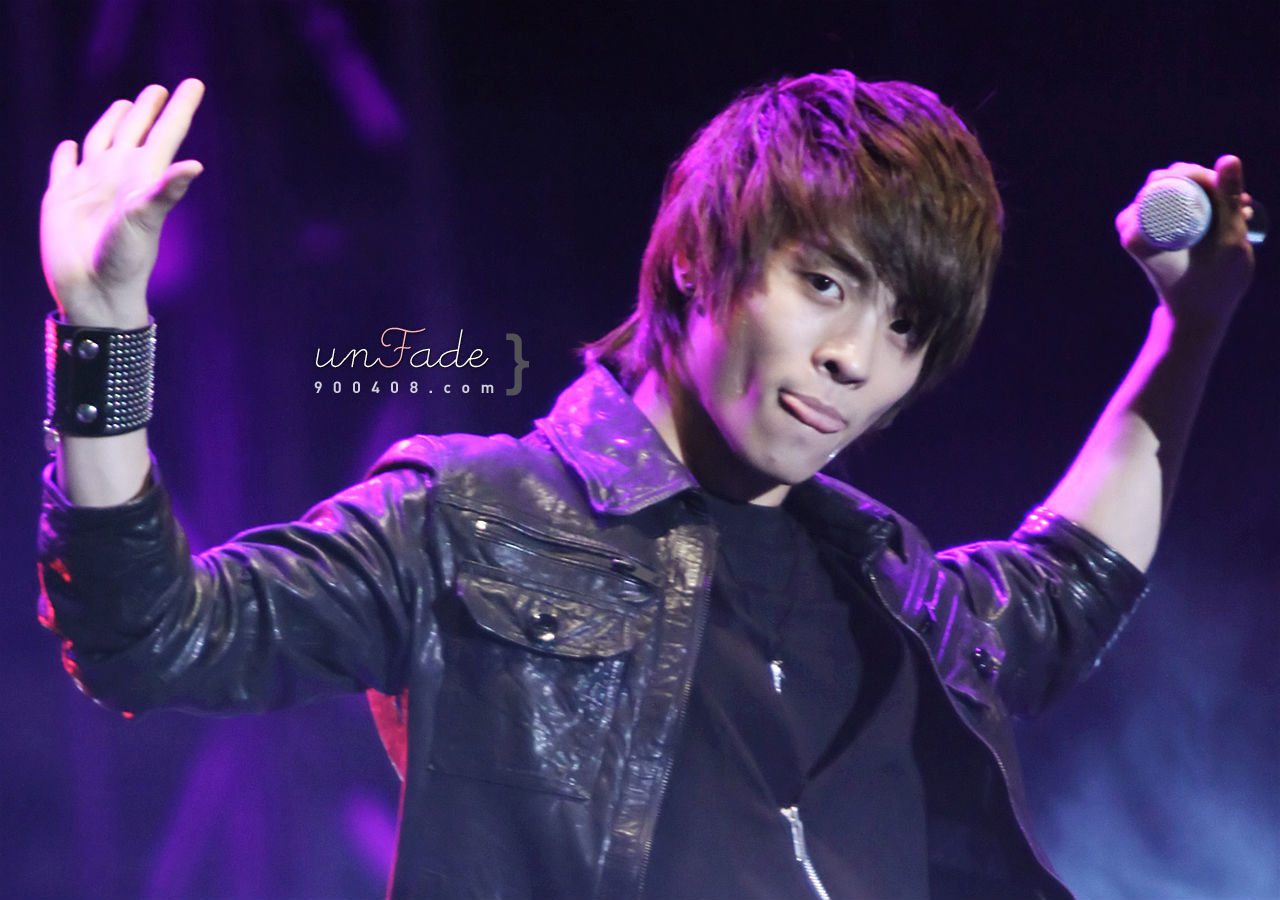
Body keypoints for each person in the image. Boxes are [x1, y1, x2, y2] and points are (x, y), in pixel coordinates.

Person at [36, 71, 1254, 899]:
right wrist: (103, 329)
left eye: (904, 329)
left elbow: (1064, 583)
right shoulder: (468, 516)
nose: (854, 358)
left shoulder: (888, 587)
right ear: (692, 262)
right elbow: (153, 637)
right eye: (825, 285)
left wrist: (1187, 329)